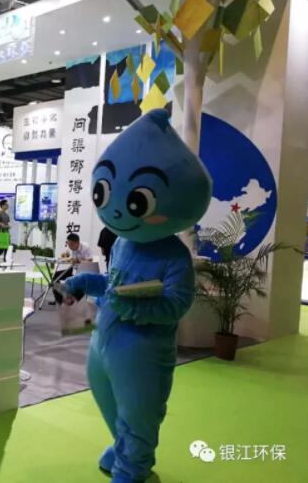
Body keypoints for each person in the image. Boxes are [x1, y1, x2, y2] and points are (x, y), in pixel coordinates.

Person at [62, 110, 212, 483]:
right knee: (106, 397)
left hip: (143, 349)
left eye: (136, 202)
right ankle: (123, 446)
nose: (114, 210)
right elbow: (113, 285)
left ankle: (134, 465)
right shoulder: (122, 243)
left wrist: (135, 306)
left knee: (140, 409)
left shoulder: (175, 256)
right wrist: (85, 282)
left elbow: (177, 304)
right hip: (103, 340)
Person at [51, 233, 92, 304]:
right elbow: (66, 255)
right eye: (68, 244)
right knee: (56, 276)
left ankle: (72, 301)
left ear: (77, 243)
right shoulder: (70, 247)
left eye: (71, 245)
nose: (69, 247)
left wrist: (78, 260)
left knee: (80, 282)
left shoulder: (86, 248)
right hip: (73, 269)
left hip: (83, 270)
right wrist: (65, 256)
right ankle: (58, 300)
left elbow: (90, 260)